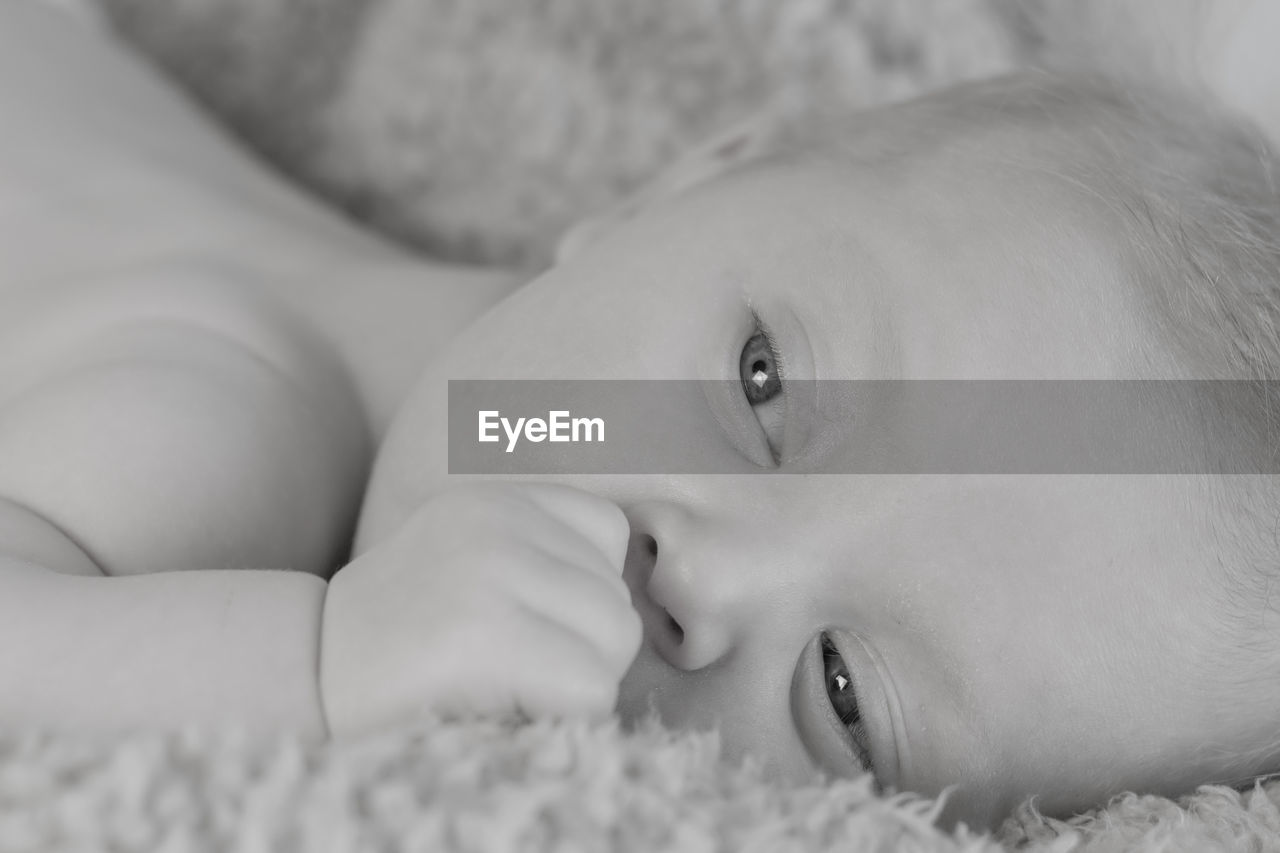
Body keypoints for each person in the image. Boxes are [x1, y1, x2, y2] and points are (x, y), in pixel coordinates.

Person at [2, 0, 1279, 830]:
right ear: (673, 189)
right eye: (762, 387)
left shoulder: (536, 399)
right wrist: (325, 663)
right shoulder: (224, 401)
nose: (701, 579)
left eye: (841, 693)